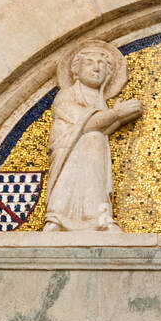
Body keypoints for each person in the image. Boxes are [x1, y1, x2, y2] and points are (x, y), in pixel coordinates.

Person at [43, 40, 141, 231]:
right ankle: (59, 216)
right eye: (89, 62)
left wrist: (120, 116)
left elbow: (104, 124)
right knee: (93, 138)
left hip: (93, 154)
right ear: (75, 71)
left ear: (110, 73)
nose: (96, 68)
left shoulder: (100, 101)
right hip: (68, 154)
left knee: (95, 139)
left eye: (102, 64)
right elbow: (87, 124)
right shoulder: (67, 95)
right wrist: (118, 113)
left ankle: (97, 216)